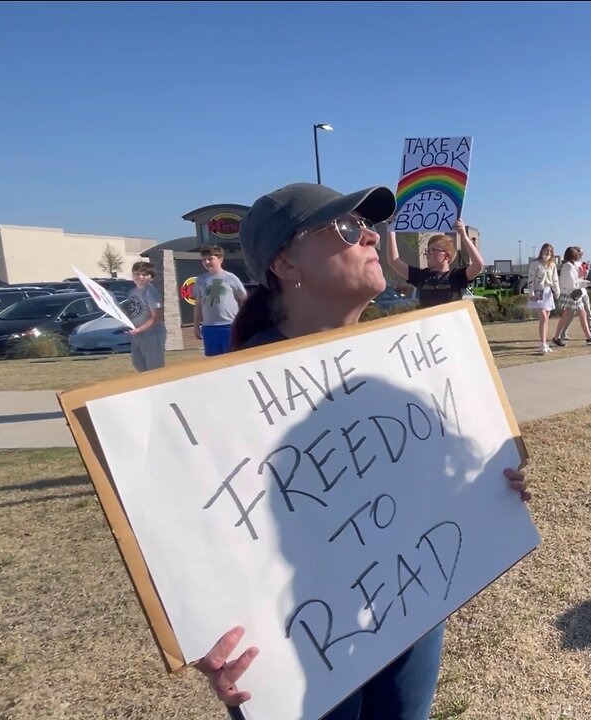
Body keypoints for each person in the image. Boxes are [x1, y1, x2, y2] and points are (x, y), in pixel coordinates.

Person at [201, 182, 532, 720]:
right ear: (286, 263)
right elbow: (197, 538)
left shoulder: (399, 362)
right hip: (300, 640)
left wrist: (490, 490)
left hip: (409, 602)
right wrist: (203, 634)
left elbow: (421, 480)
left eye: (370, 226)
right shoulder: (227, 395)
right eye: (349, 229)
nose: (372, 238)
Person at [383, 219, 484, 309]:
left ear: (446, 256)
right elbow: (394, 261)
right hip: (428, 329)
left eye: (432, 250)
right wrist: (391, 230)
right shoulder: (422, 276)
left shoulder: (457, 276)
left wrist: (464, 236)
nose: (427, 254)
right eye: (427, 250)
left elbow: (478, 265)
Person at [194, 244, 248, 356]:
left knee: (232, 358)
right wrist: (196, 326)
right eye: (204, 259)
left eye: (210, 259)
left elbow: (244, 299)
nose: (207, 262)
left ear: (220, 259)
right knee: (213, 362)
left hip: (229, 325)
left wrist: (242, 321)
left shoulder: (230, 278)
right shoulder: (200, 279)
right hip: (209, 327)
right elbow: (198, 305)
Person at [551, 246, 591, 347]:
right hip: (571, 294)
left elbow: (575, 281)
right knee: (575, 315)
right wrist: (587, 283)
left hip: (573, 293)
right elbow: (572, 283)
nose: (579, 255)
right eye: (576, 253)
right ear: (572, 255)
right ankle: (587, 337)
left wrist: (586, 281)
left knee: (576, 314)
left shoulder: (570, 265)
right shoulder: (568, 266)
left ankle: (558, 337)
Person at [126, 260, 166, 371]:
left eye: (144, 274)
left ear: (151, 277)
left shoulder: (150, 292)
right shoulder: (132, 292)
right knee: (138, 364)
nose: (140, 277)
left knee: (154, 368)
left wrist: (139, 329)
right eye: (137, 273)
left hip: (152, 335)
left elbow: (156, 316)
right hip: (137, 335)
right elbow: (133, 312)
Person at [526, 243, 559, 354]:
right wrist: (531, 294)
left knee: (546, 320)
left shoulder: (552, 265)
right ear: (541, 251)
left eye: (550, 251)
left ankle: (544, 342)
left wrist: (556, 291)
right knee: (543, 318)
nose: (548, 253)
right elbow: (530, 280)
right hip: (538, 292)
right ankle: (542, 344)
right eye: (546, 250)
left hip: (548, 292)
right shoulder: (535, 264)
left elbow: (555, 280)